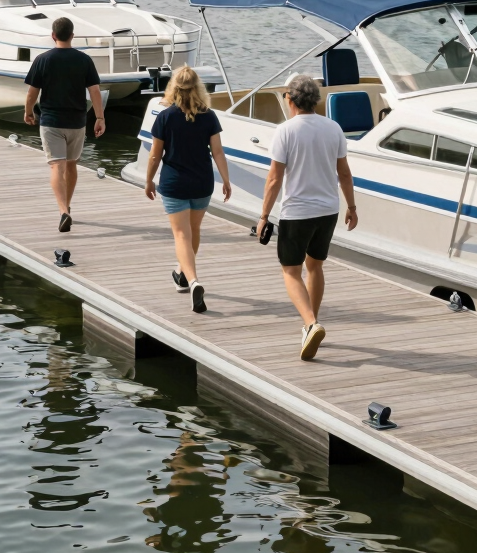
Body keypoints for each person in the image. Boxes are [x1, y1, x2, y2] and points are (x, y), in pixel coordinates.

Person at [256, 75, 357, 360]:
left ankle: (311, 323)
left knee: (290, 270)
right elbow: (344, 173)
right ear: (316, 100)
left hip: (298, 212)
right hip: (328, 210)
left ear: (290, 99)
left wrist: (263, 215)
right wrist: (352, 207)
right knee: (315, 266)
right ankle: (310, 325)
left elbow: (274, 179)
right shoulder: (334, 128)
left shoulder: (285, 131)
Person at [144, 66, 231, 314]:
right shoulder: (209, 116)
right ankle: (182, 274)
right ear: (198, 87)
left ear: (174, 87)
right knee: (193, 231)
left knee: (182, 235)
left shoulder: (165, 117)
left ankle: (192, 281)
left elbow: (154, 155)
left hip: (174, 184)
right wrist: (226, 180)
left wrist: (149, 180)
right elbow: (218, 152)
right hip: (202, 182)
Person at [23, 16, 106, 232]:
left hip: (51, 122)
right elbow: (94, 91)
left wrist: (28, 112)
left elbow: (32, 93)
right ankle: (67, 206)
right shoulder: (84, 60)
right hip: (77, 122)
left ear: (53, 36)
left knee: (56, 166)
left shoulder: (43, 59)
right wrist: (99, 118)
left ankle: (63, 211)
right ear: (72, 36)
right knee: (71, 165)